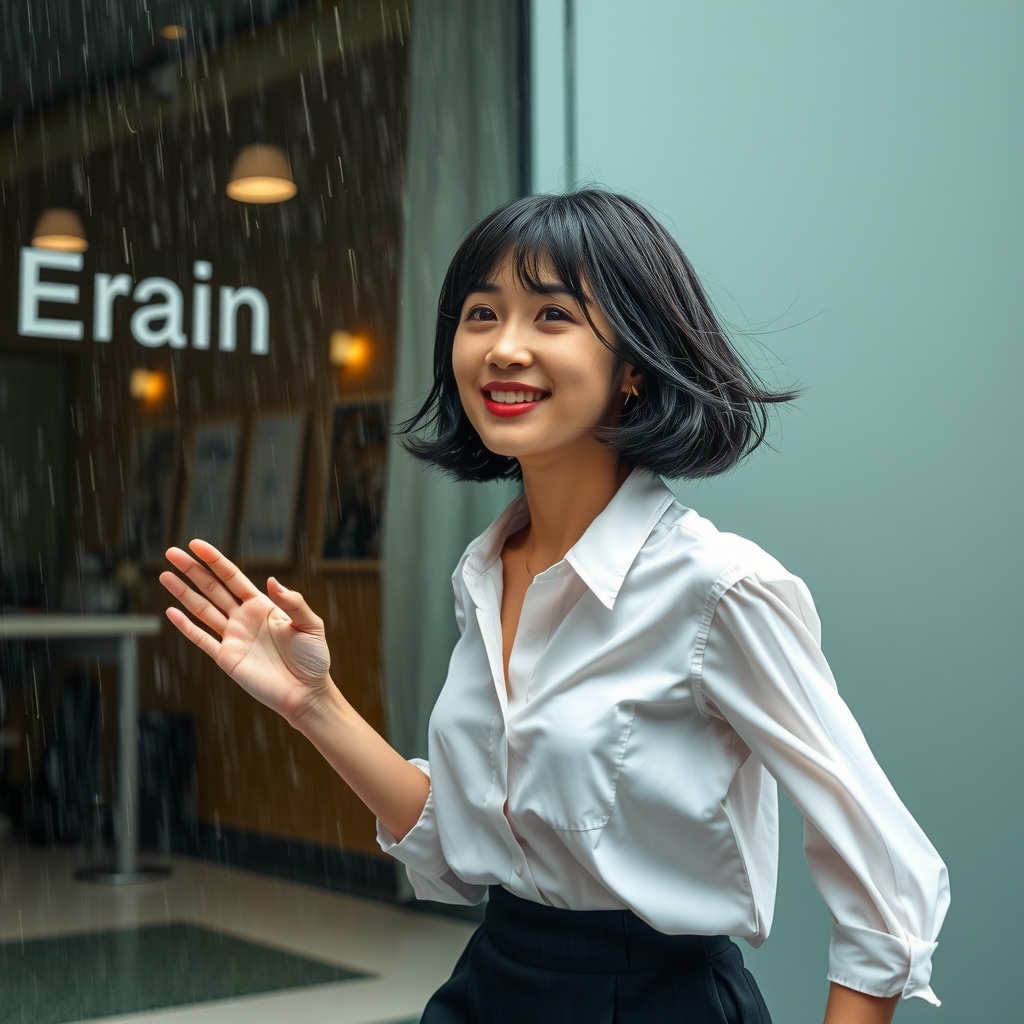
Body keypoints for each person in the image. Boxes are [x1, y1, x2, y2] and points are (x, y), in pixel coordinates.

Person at [160, 190, 948, 1024]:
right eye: (481, 314)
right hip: (492, 984)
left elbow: (886, 877)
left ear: (634, 364)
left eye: (551, 317)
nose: (503, 348)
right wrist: (314, 704)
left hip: (654, 1001)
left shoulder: (720, 588)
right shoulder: (485, 575)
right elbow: (460, 857)